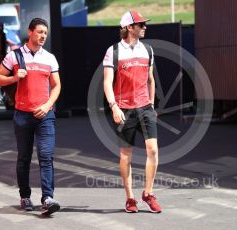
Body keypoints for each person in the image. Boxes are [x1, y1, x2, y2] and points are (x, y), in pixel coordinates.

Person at [0, 18, 61, 215]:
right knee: (24, 158)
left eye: (45, 33)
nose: (42, 36)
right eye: (39, 32)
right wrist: (14, 77)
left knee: (46, 157)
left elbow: (57, 86)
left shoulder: (50, 58)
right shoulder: (14, 56)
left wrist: (48, 105)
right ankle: (25, 196)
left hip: (45, 116)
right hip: (22, 115)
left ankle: (48, 197)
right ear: (30, 32)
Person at [103, 11, 162, 213]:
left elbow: (150, 80)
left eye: (144, 24)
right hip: (124, 109)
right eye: (141, 24)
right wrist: (114, 106)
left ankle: (148, 193)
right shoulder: (113, 51)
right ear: (129, 27)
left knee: (153, 150)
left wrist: (152, 105)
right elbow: (107, 82)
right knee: (126, 155)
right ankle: (130, 198)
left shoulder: (148, 49)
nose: (145, 27)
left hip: (145, 107)